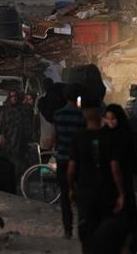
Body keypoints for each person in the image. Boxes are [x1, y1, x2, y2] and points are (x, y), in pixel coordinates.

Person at [67, 98, 125, 253]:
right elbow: (115, 168)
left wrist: (71, 188)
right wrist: (121, 192)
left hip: (85, 194)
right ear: (100, 113)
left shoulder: (78, 138)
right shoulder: (109, 137)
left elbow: (71, 169)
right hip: (106, 193)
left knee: (87, 234)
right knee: (106, 235)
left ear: (84, 115)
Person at [52, 84, 85, 240]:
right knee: (81, 195)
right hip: (79, 161)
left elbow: (54, 138)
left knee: (65, 196)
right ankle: (83, 227)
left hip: (62, 160)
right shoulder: (82, 116)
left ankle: (67, 231)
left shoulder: (58, 115)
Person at [103, 104, 137, 239]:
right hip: (110, 182)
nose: (110, 122)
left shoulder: (124, 135)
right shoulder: (105, 136)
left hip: (124, 178)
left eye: (113, 118)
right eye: (108, 119)